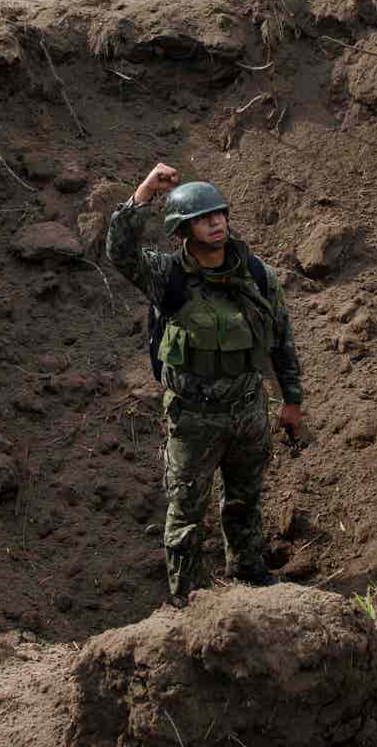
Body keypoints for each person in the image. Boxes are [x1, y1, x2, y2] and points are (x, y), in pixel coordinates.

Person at [107, 164, 305, 607]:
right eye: (203, 218)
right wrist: (142, 196)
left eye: (219, 214)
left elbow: (281, 339)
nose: (216, 223)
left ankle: (250, 579)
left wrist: (292, 401)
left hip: (248, 410)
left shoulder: (256, 275)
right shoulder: (167, 276)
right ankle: (187, 599)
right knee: (185, 512)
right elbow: (120, 255)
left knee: (244, 501)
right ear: (183, 229)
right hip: (193, 417)